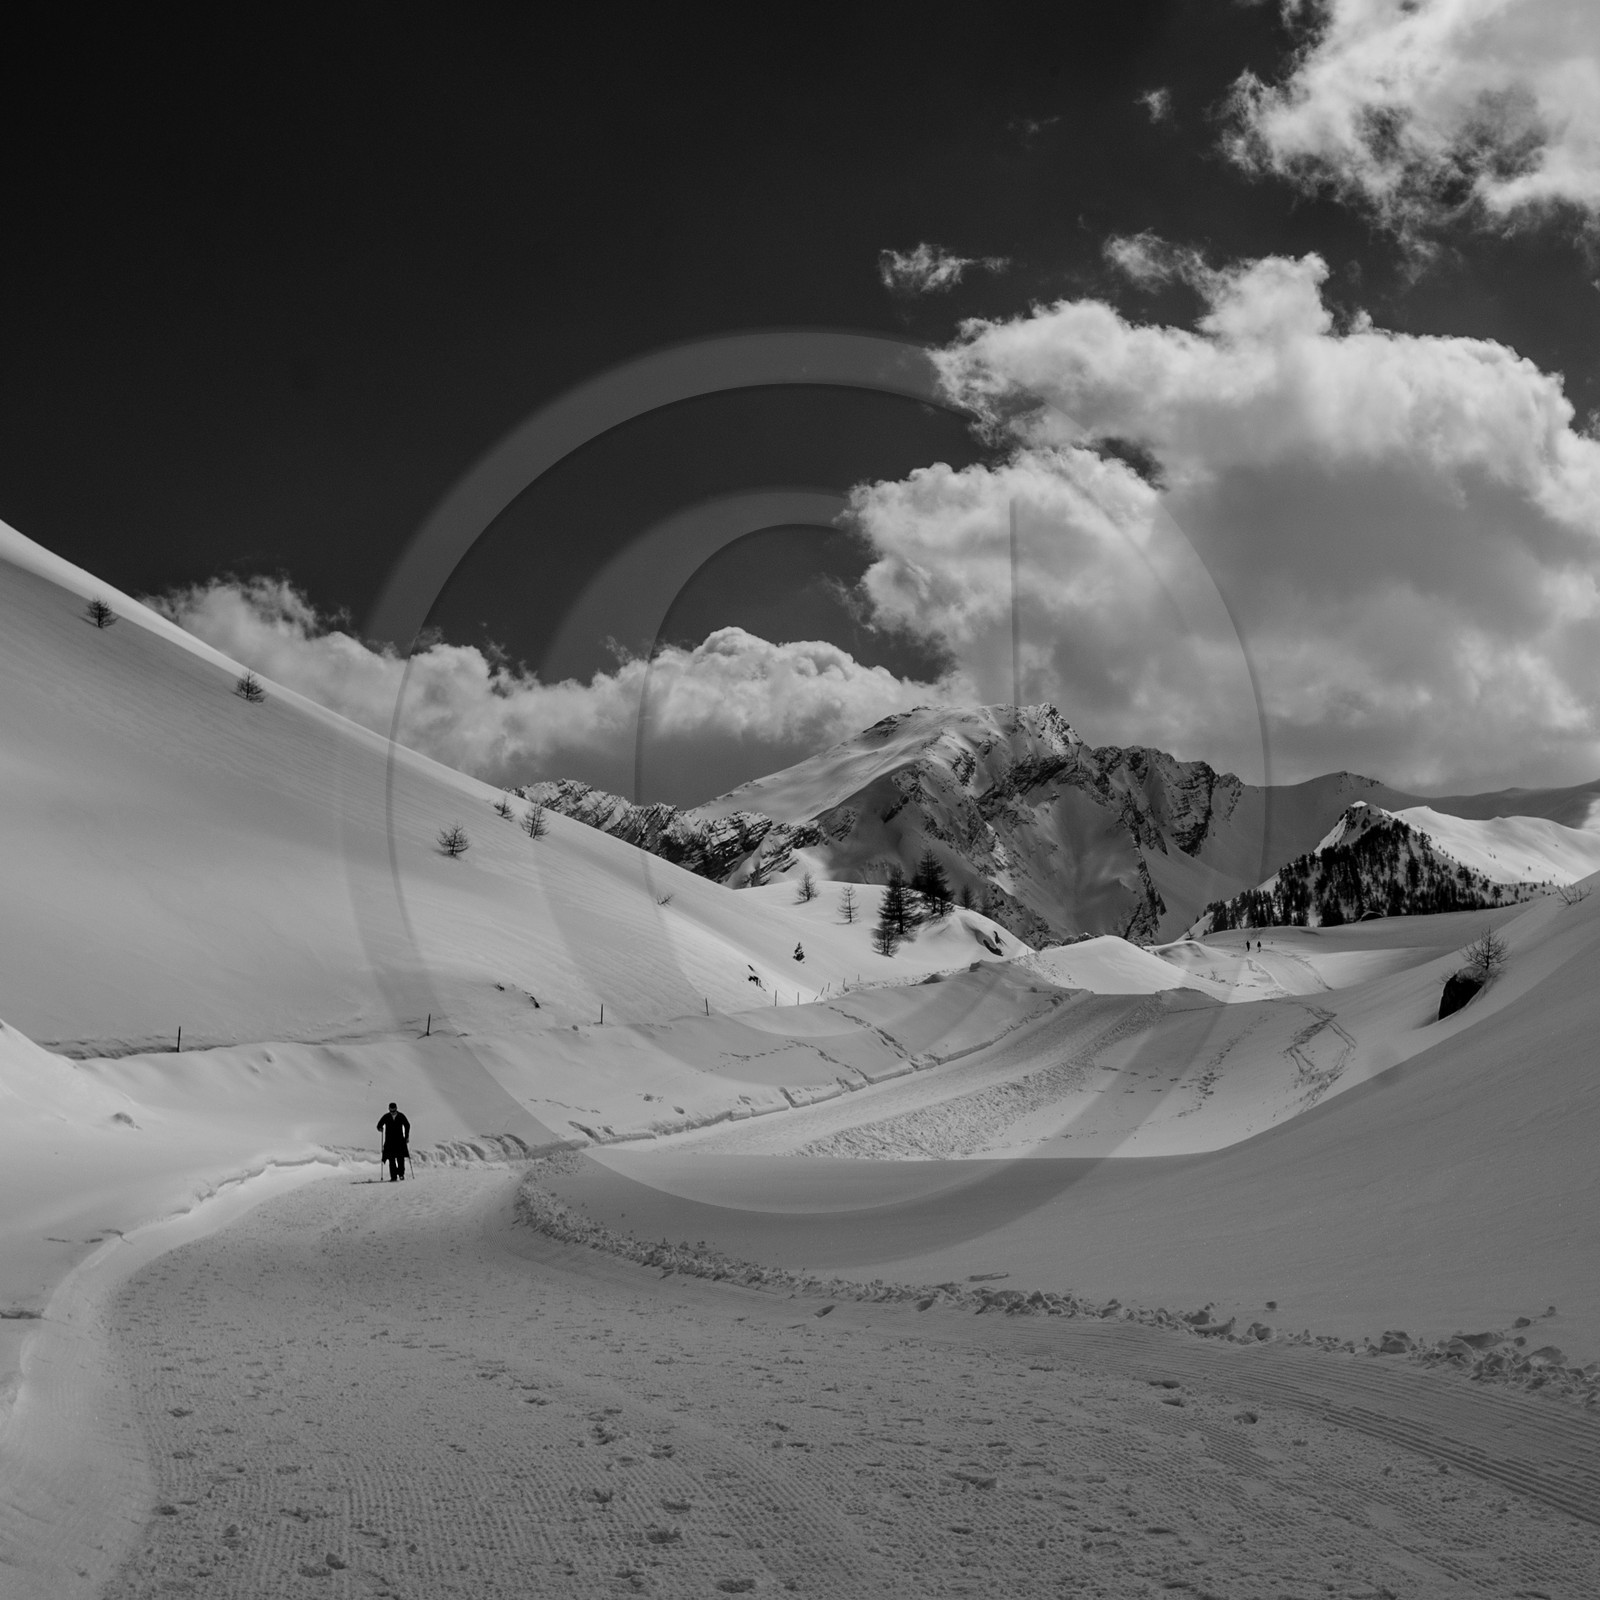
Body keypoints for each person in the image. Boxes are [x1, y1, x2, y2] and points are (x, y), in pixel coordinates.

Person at [377, 1102, 410, 1181]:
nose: (392, 1112)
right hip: (389, 1141)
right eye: (391, 1110)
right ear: (389, 1109)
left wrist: (406, 1136)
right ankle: (393, 1176)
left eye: (393, 1110)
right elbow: (379, 1125)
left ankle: (401, 1174)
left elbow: (407, 1125)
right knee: (391, 1159)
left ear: (396, 1109)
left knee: (400, 1158)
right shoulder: (386, 1116)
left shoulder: (401, 1116)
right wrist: (380, 1128)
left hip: (399, 1140)